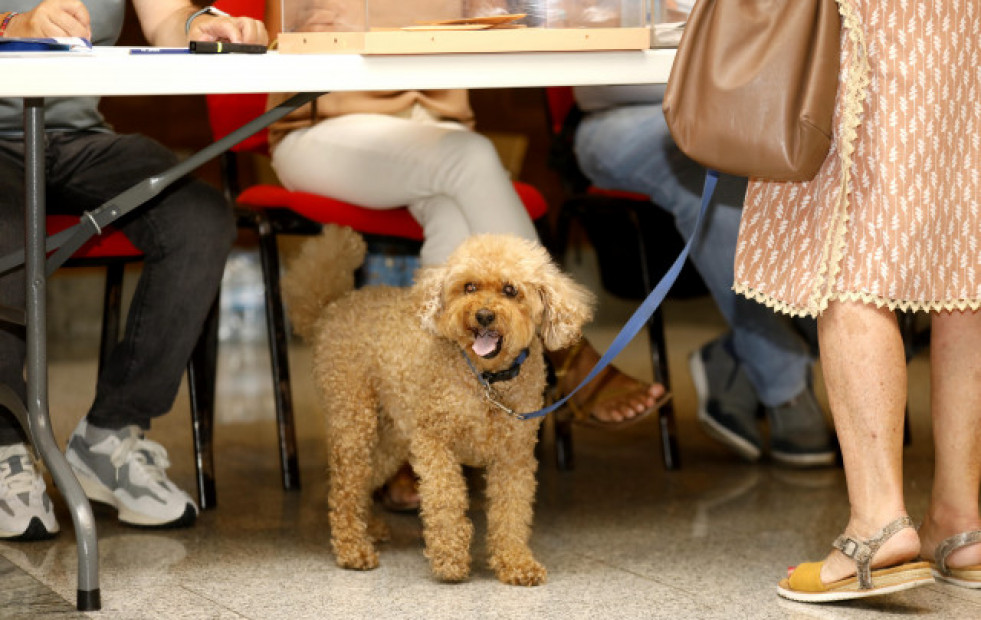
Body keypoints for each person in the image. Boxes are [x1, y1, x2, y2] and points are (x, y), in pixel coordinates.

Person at [265, 0, 665, 508]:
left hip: (436, 136)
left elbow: (517, 16)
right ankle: (566, 350)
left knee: (455, 214)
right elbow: (281, 33)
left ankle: (417, 436)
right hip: (323, 127)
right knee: (469, 159)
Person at [729, 1, 980, 601]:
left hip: (875, 25)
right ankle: (961, 523)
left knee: (851, 253)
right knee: (966, 254)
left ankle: (878, 527)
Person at [0, 0, 268, 540]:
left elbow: (168, 17)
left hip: (78, 138)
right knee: (7, 233)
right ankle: (3, 442)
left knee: (198, 219)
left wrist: (200, 25)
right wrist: (12, 27)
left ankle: (109, 434)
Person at [570, 82, 837, 468]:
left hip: (773, 104)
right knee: (714, 176)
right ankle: (783, 384)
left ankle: (735, 358)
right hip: (629, 113)